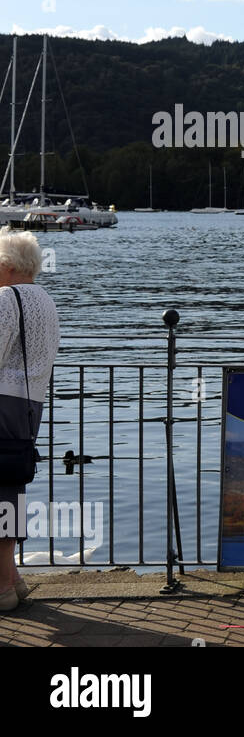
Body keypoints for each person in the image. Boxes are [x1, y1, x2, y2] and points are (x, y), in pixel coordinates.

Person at [0, 228, 59, 612]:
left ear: (6, 266)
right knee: (10, 489)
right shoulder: (46, 300)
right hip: (29, 405)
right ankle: (14, 580)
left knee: (1, 492)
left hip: (1, 402)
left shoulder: (6, 298)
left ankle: (3, 585)